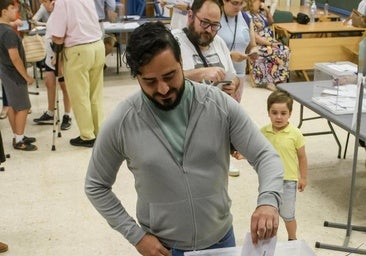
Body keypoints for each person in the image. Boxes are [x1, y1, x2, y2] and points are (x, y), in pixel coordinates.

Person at [85, 21, 283, 256]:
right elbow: (96, 185)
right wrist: (135, 236)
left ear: (181, 63)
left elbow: (265, 155)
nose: (163, 89)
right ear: (137, 77)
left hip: (220, 242)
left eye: (170, 76)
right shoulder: (123, 121)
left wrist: (268, 200)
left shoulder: (218, 105)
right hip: (163, 249)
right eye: (150, 81)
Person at [172, 0, 242, 176]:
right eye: (204, 23)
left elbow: (233, 76)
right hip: (184, 133)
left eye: (215, 25)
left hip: (217, 130)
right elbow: (164, 82)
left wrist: (233, 83)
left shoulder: (219, 42)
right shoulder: (172, 42)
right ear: (190, 16)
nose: (209, 30)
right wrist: (199, 73)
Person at [50, 0, 105, 147]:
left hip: (78, 51)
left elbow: (58, 37)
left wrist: (57, 56)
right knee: (95, 94)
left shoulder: (62, 3)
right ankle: (99, 132)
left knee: (80, 95)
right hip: (98, 47)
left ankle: (87, 136)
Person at [260, 90, 307, 241]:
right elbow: (256, 150)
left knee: (288, 215)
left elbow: (302, 157)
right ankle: (268, 242)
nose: (279, 117)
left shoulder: (296, 134)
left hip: (288, 182)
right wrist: (241, 154)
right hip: (269, 181)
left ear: (290, 113)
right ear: (268, 113)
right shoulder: (263, 132)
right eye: (274, 112)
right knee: (268, 214)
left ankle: (292, 239)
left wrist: (303, 177)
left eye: (283, 113)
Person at [0, 0, 37, 151]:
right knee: (23, 106)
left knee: (12, 106)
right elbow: (15, 57)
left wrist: (13, 24)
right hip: (14, 74)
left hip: (5, 72)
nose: (15, 9)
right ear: (3, 11)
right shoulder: (8, 33)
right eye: (11, 8)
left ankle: (17, 135)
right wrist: (26, 76)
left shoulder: (3, 29)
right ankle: (20, 141)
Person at [33, 0, 72, 131]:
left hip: (59, 55)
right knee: (49, 83)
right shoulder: (51, 13)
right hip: (50, 55)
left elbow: (63, 36)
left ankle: (67, 115)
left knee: (64, 86)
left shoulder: (62, 11)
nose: (43, 5)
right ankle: (50, 113)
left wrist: (57, 55)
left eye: (44, 2)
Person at [243, 0, 290, 91]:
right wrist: (270, 44)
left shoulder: (260, 14)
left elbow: (271, 22)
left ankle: (280, 80)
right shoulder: (247, 16)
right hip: (258, 44)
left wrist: (267, 11)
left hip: (269, 41)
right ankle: (270, 81)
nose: (261, 3)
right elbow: (254, 37)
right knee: (273, 51)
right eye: (258, 1)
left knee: (285, 50)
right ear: (251, 3)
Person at [218, 0, 257, 103]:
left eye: (241, 3)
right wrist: (229, 55)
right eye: (235, 3)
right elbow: (207, 48)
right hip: (219, 74)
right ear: (224, 1)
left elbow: (252, 45)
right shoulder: (215, 16)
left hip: (240, 74)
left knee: (234, 112)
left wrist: (253, 52)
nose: (238, 7)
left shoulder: (246, 18)